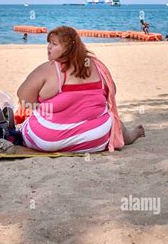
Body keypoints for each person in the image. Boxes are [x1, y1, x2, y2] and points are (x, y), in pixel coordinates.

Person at [17, 26, 145, 153]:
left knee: (27, 123)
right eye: (49, 43)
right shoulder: (97, 66)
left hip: (48, 140)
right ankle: (130, 136)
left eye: (54, 44)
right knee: (112, 119)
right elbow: (112, 92)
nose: (49, 47)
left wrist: (43, 106)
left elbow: (23, 97)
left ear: (68, 48)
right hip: (95, 138)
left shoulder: (50, 68)